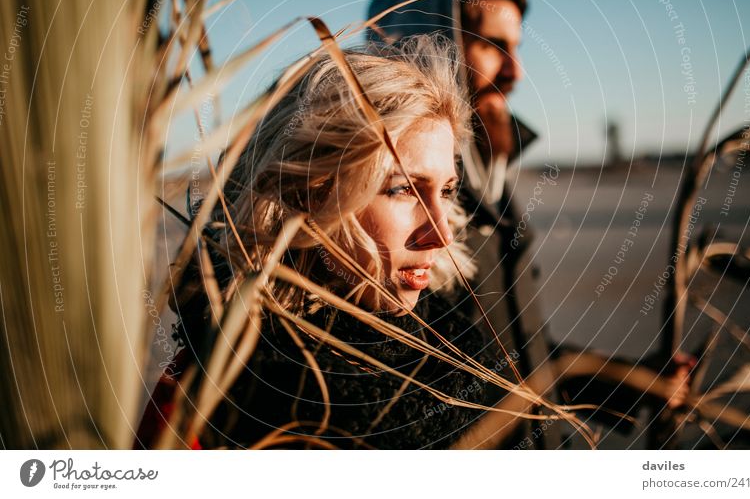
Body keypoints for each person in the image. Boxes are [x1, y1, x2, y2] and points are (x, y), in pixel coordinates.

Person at [368, 0, 691, 448]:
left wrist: (636, 382)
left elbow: (520, 355)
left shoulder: (490, 188)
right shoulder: (376, 215)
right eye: (492, 46)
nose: (515, 72)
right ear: (428, 43)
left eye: (516, 48)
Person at [137, 35, 520, 450]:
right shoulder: (216, 397)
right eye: (403, 189)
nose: (441, 233)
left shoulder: (458, 352)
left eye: (446, 191)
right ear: (310, 193)